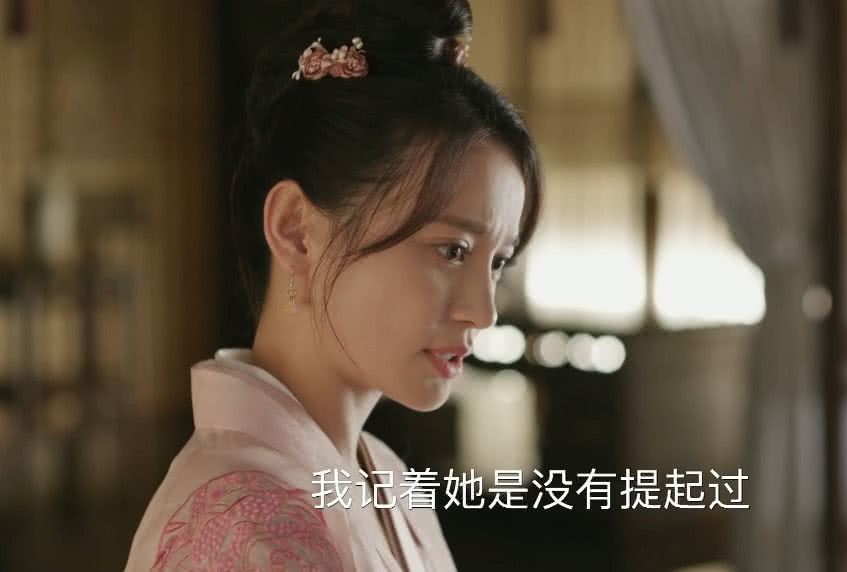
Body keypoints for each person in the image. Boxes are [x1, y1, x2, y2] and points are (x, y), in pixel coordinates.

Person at [125, 0, 542, 569]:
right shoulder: (243, 533)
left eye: (497, 263)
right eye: (452, 250)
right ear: (296, 231)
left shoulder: (386, 476)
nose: (484, 312)